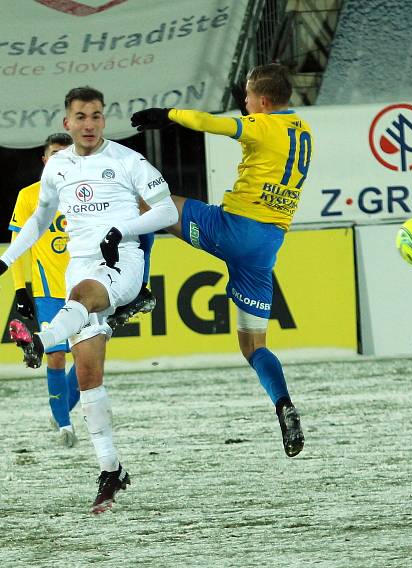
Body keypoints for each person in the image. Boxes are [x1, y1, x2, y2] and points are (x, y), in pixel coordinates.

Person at [0, 86, 178, 514]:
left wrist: (120, 231)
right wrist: (2, 263)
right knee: (88, 377)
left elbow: (168, 213)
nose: (89, 124)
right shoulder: (58, 166)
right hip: (80, 267)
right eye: (80, 117)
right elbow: (36, 223)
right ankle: (111, 471)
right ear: (67, 122)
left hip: (120, 261)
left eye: (96, 116)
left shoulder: (127, 161)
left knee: (82, 298)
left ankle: (40, 339)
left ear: (104, 120)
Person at [130, 63, 308, 458]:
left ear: (262, 102)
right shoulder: (302, 130)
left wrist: (168, 116)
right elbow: (264, 134)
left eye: (247, 98)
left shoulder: (261, 126)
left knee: (147, 206)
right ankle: (284, 405)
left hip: (233, 229)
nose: (243, 104)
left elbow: (215, 124)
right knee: (253, 345)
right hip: (266, 246)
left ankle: (139, 290)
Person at [9, 132, 80, 448]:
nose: (60, 159)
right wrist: (19, 290)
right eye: (55, 154)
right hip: (49, 292)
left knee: (89, 360)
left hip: (86, 289)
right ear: (45, 160)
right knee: (55, 358)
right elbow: (17, 246)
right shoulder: (29, 197)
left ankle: (60, 409)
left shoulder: (87, 193)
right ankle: (65, 426)